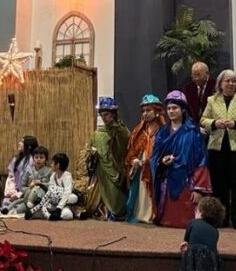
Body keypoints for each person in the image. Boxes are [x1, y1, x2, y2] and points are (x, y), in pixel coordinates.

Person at [200, 69, 236, 229]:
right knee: (219, 185)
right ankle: (221, 219)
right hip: (217, 149)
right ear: (220, 83)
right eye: (227, 81)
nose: (231, 83)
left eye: (233, 81)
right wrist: (214, 123)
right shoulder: (212, 100)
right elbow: (203, 120)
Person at [151, 90, 212, 228]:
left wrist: (198, 189)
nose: (171, 111)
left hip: (187, 182)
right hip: (167, 180)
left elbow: (201, 160)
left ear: (183, 109)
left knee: (187, 223)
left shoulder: (193, 132)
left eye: (175, 108)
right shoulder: (162, 133)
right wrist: (162, 161)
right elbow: (154, 157)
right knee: (167, 223)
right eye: (169, 108)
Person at [86, 97, 130, 221]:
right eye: (102, 115)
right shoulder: (99, 133)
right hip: (101, 169)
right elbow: (90, 148)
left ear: (113, 114)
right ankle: (103, 210)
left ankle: (116, 212)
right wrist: (92, 154)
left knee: (116, 195)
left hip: (117, 169)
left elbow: (125, 149)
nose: (104, 118)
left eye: (106, 114)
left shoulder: (122, 131)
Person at [125, 94, 166, 223]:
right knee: (141, 192)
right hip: (141, 169)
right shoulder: (139, 131)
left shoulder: (164, 131)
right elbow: (131, 151)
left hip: (157, 168)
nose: (145, 114)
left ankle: (153, 215)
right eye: (143, 111)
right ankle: (141, 214)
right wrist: (133, 160)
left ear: (157, 112)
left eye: (148, 110)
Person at [26, 153, 78, 221]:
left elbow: (67, 193)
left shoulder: (67, 176)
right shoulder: (53, 176)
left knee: (67, 213)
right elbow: (50, 192)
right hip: (53, 203)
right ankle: (53, 214)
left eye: (52, 163)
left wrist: (59, 208)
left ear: (58, 165)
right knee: (36, 213)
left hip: (64, 203)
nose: (51, 165)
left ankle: (71, 212)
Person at [179, 196, 225, 271]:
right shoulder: (215, 231)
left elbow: (186, 240)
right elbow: (213, 247)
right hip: (210, 260)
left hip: (193, 258)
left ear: (201, 212)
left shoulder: (193, 223)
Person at [4, 146, 52, 215]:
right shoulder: (28, 171)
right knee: (18, 210)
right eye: (36, 157)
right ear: (33, 158)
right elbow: (22, 188)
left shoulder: (49, 171)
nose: (38, 159)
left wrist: (41, 183)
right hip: (28, 198)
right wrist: (30, 187)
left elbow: (52, 186)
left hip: (43, 200)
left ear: (46, 159)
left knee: (39, 213)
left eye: (41, 157)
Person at [2, 136, 39, 209]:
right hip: (14, 191)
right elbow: (11, 176)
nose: (19, 143)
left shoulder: (32, 161)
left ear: (29, 147)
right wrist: (11, 190)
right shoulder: (17, 158)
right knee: (6, 202)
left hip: (25, 193)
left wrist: (19, 194)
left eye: (22, 142)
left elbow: (31, 182)